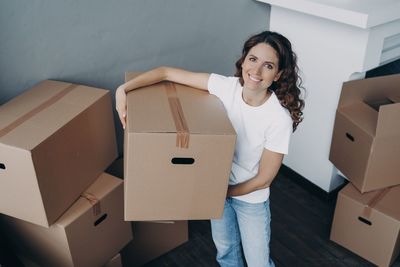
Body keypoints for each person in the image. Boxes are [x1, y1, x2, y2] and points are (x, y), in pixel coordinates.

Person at [115, 30, 304, 267]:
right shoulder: (227, 87)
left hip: (250, 199)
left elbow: (263, 179)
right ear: (244, 60)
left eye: (268, 66)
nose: (256, 71)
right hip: (219, 188)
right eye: (253, 60)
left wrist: (219, 193)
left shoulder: (278, 118)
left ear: (278, 74)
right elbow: (166, 73)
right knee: (226, 253)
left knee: (258, 263)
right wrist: (123, 89)